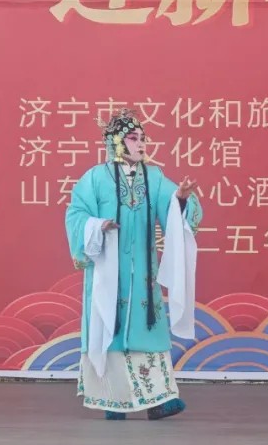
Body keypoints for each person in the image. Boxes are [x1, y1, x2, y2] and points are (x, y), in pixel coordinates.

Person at [65, 108, 203, 420]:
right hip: (107, 271)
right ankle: (112, 402)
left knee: (147, 330)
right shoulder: (94, 178)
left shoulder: (154, 178)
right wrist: (97, 227)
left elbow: (173, 210)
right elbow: (76, 215)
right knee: (109, 326)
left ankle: (158, 401)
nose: (141, 143)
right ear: (115, 141)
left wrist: (181, 199)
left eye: (143, 138)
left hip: (142, 273)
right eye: (132, 137)